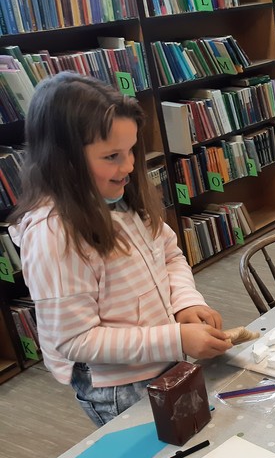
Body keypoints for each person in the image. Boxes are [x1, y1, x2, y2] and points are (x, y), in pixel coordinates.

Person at [10, 73, 231, 426]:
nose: (128, 166)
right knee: (158, 455)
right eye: (112, 156)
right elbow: (76, 340)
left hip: (163, 356)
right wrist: (176, 338)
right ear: (63, 159)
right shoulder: (53, 233)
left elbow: (169, 255)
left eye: (131, 151)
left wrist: (185, 303)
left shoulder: (122, 197)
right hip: (120, 386)